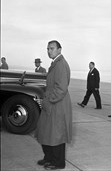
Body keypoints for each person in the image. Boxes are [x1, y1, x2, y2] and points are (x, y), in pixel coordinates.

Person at [35, 40, 72, 170]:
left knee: (56, 135)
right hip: (52, 103)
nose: (49, 51)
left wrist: (47, 101)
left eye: (52, 48)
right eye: (48, 49)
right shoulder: (55, 63)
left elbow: (61, 89)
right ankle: (49, 158)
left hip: (57, 104)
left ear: (59, 50)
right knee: (46, 132)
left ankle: (59, 163)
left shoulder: (61, 64)